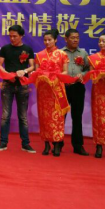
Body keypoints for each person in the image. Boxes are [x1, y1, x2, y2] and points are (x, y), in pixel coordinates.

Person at [0, 25, 36, 153]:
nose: (12, 38)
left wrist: (24, 71)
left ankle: (25, 144)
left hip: (22, 85)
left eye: (15, 36)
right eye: (10, 36)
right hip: (8, 84)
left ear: (21, 36)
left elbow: (32, 66)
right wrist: (8, 75)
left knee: (23, 116)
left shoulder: (27, 49)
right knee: (5, 115)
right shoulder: (5, 49)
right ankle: (3, 142)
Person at [34, 29, 69, 157]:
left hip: (56, 89)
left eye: (50, 40)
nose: (47, 42)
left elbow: (65, 72)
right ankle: (46, 144)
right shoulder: (39, 55)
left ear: (55, 40)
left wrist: (55, 76)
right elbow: (37, 73)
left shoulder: (62, 54)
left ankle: (57, 144)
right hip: (44, 90)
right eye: (45, 40)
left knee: (58, 117)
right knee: (44, 117)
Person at [62, 29, 90, 156]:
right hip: (63, 87)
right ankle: (58, 143)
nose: (75, 40)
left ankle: (78, 145)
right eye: (72, 37)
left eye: (77, 37)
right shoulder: (60, 53)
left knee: (77, 116)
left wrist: (82, 74)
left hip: (78, 87)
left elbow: (88, 68)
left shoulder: (83, 53)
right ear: (66, 39)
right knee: (61, 116)